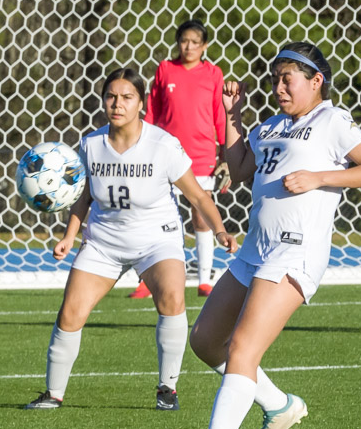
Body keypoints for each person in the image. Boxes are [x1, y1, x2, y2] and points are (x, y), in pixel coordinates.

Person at [166, 42, 361, 429]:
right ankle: (279, 404)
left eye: (288, 78)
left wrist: (319, 177)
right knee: (206, 341)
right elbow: (239, 167)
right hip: (255, 249)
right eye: (275, 79)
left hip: (295, 249)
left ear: (316, 81)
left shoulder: (332, 120)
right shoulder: (270, 126)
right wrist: (232, 116)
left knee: (245, 349)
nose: (279, 86)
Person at [25, 68, 238, 411]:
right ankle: (53, 395)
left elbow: (198, 197)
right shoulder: (90, 145)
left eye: (127, 97)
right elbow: (82, 196)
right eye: (111, 96)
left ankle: (167, 390)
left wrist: (220, 230)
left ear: (141, 103)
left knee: (171, 297)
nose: (117, 103)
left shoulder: (163, 145)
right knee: (70, 313)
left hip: (157, 240)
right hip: (103, 243)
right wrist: (69, 236)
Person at [130, 19, 230, 299]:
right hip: (165, 153)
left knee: (201, 215)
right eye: (184, 41)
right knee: (156, 216)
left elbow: (219, 114)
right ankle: (148, 280)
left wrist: (224, 151)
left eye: (195, 42)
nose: (188, 47)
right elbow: (153, 110)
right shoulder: (165, 68)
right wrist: (142, 144)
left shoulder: (213, 73)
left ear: (204, 46)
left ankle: (205, 278)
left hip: (201, 155)